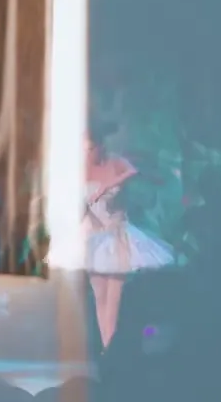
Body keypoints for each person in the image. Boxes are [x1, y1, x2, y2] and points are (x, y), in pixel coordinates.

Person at [74, 123, 173, 351]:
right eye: (84, 150)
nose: (87, 154)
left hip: (117, 235)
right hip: (93, 237)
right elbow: (81, 205)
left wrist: (105, 187)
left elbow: (133, 172)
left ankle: (110, 346)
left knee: (114, 297)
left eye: (90, 149)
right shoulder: (81, 170)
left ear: (100, 146)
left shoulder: (116, 163)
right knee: (99, 295)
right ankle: (105, 346)